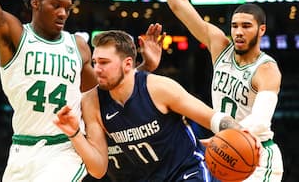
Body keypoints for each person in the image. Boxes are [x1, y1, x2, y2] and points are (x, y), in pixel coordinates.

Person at [0, 0, 163, 181]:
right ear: (35, 3)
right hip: (22, 149)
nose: (63, 13)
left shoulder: (77, 46)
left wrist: (146, 66)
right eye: (56, 5)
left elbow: (103, 93)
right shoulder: (16, 35)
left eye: (67, 8)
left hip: (64, 148)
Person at [53, 30, 260, 181]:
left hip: (187, 171)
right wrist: (74, 134)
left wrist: (242, 133)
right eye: (95, 62)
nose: (97, 69)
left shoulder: (158, 88)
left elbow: (213, 117)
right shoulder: (92, 101)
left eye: (104, 62)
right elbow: (98, 169)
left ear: (127, 64)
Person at [158, 0, 284, 181]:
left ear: (261, 30)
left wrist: (223, 138)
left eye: (246, 26)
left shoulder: (267, 69)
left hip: (258, 156)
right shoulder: (220, 47)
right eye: (234, 26)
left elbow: (260, 121)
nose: (238, 32)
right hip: (227, 152)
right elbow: (179, 4)